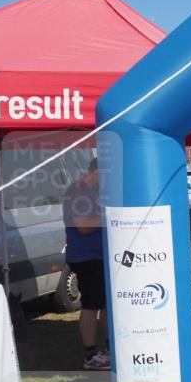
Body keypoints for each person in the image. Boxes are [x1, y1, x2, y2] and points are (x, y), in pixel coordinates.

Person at [63, 157, 109, 370]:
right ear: (98, 172)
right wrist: (112, 215)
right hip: (86, 257)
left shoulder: (94, 191)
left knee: (106, 304)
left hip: (99, 256)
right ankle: (90, 355)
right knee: (91, 304)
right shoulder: (78, 191)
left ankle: (110, 349)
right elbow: (83, 226)